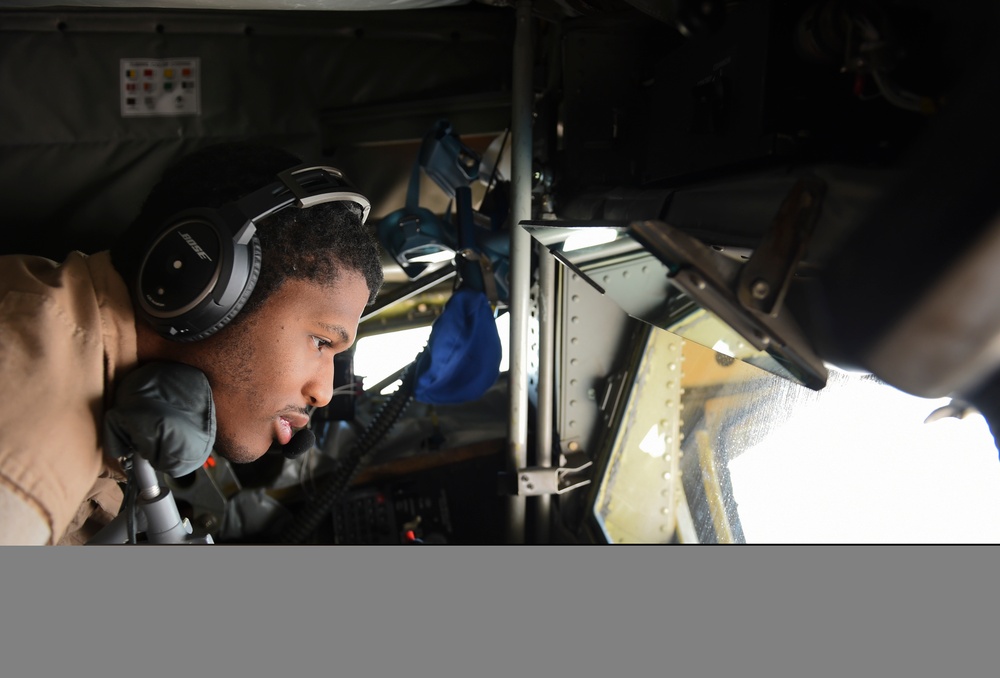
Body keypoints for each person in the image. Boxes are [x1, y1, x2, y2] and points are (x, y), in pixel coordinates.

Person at [0, 143, 384, 545]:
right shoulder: (32, 436)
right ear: (207, 281)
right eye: (321, 342)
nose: (323, 393)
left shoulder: (96, 375)